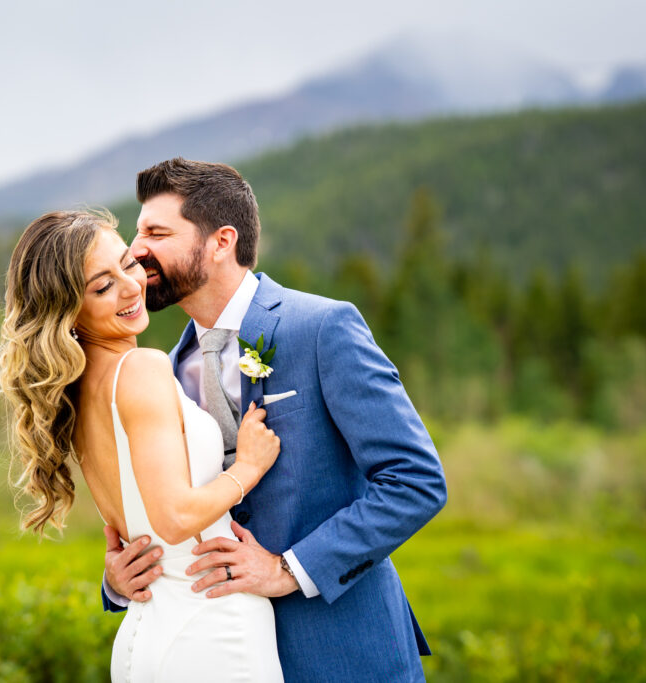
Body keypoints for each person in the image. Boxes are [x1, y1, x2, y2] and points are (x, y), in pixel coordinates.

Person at [103, 158, 447, 682]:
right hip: (223, 655)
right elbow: (174, 509)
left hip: (341, 651)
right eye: (136, 232)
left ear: (221, 242)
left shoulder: (322, 328)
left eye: (156, 231)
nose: (136, 250)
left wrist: (290, 570)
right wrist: (118, 580)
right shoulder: (165, 372)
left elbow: (416, 481)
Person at [0, 209, 285, 682]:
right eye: (102, 286)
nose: (131, 287)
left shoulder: (80, 394)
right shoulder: (142, 369)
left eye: (129, 264)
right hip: (210, 630)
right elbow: (173, 518)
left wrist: (114, 581)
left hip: (147, 631)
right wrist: (247, 468)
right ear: (68, 312)